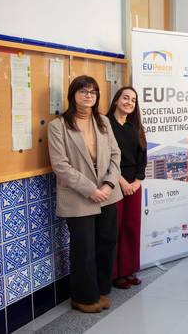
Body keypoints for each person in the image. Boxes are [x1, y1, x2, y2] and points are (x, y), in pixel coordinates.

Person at [48, 76, 121, 313]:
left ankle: (100, 290)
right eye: (83, 91)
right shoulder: (58, 126)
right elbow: (60, 165)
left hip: (108, 193)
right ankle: (83, 297)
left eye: (93, 92)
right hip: (79, 196)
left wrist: (109, 184)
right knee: (84, 248)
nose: (88, 95)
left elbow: (115, 154)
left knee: (106, 243)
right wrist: (91, 190)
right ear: (73, 95)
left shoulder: (103, 122)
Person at [106, 87, 147, 290]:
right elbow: (105, 158)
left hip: (134, 184)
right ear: (116, 100)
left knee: (131, 228)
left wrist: (137, 181)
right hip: (114, 184)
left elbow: (143, 156)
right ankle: (115, 273)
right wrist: (121, 182)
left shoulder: (135, 127)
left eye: (133, 100)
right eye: (125, 98)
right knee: (115, 229)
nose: (129, 102)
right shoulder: (105, 125)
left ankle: (128, 270)